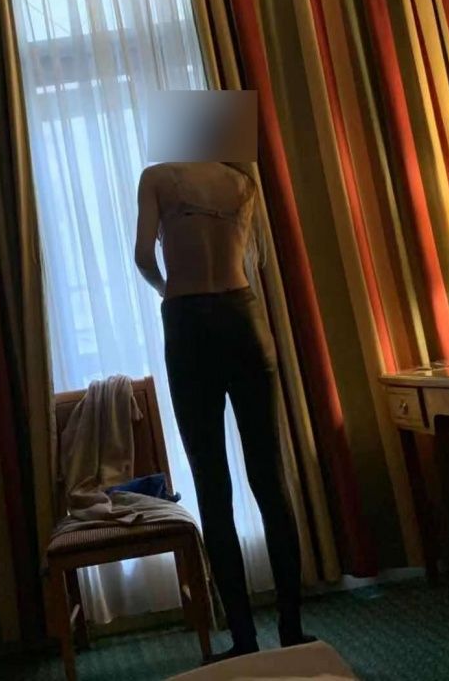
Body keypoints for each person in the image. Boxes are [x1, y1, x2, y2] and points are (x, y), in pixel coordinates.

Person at [134, 157, 315, 660]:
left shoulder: (157, 177)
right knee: (270, 480)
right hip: (243, 317)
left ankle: (243, 639)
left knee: (213, 486)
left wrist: (170, 291)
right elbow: (248, 256)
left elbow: (143, 257)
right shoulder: (243, 178)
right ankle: (293, 630)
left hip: (189, 324)